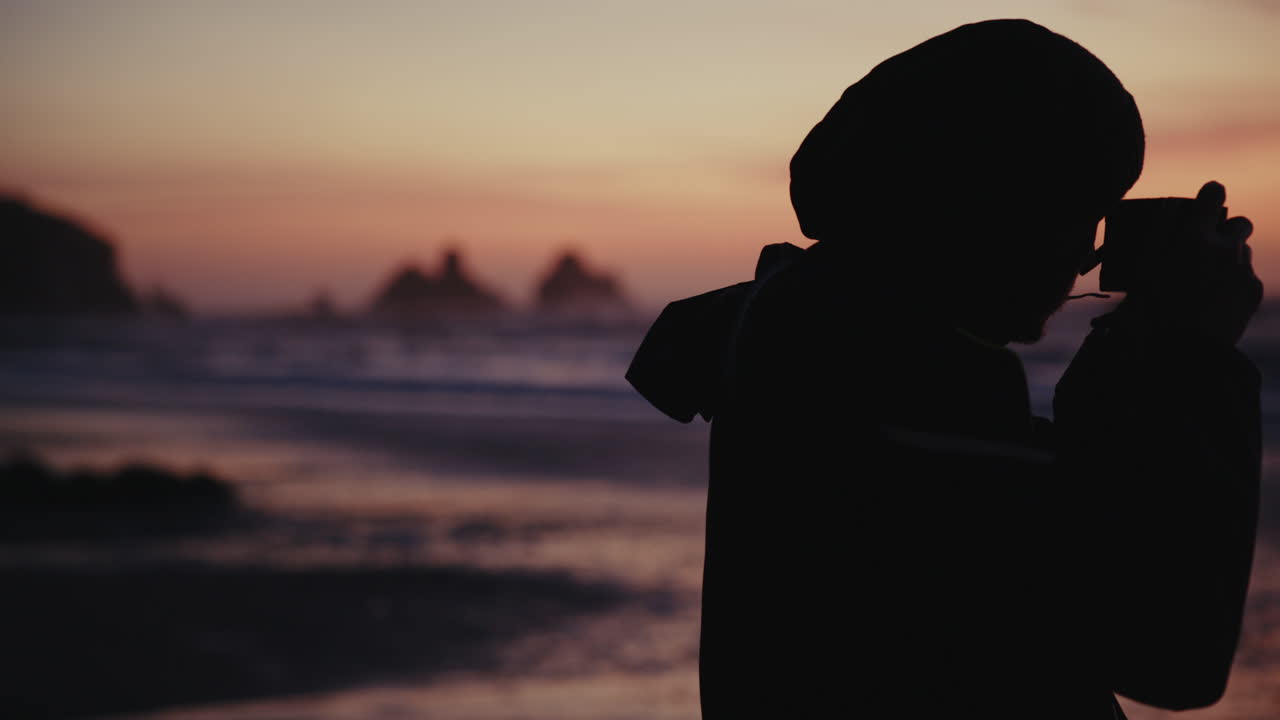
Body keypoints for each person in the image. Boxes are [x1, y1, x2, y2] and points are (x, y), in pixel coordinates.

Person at [626, 19, 1262, 719]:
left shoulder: (804, 328)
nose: (1085, 255)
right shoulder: (880, 383)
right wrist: (1187, 355)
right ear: (984, 202)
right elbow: (1169, 653)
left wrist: (1148, 347)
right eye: (1074, 210)